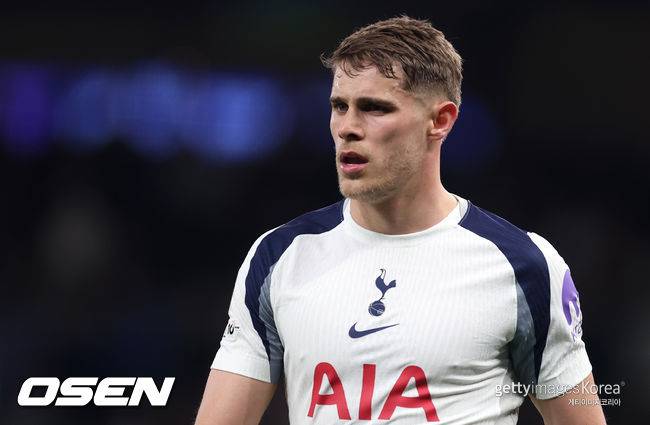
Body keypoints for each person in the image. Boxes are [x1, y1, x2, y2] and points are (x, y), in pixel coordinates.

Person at [194, 16, 607, 425]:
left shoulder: (525, 265)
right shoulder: (278, 256)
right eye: (339, 106)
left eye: (374, 108)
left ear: (440, 121)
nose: (347, 128)